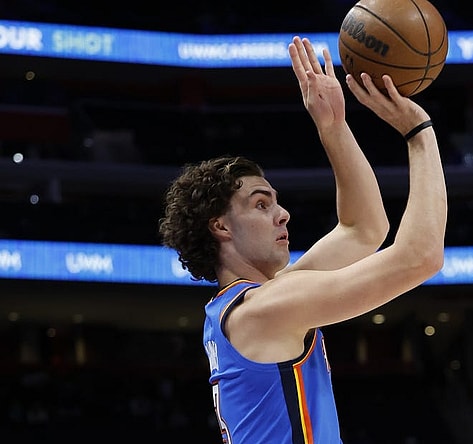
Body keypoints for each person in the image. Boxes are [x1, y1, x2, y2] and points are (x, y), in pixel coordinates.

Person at [158, 36, 447, 444]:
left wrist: (334, 127)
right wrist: (419, 134)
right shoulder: (265, 309)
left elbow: (364, 230)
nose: (283, 213)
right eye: (260, 205)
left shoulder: (258, 302)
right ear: (220, 227)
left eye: (276, 202)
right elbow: (421, 257)